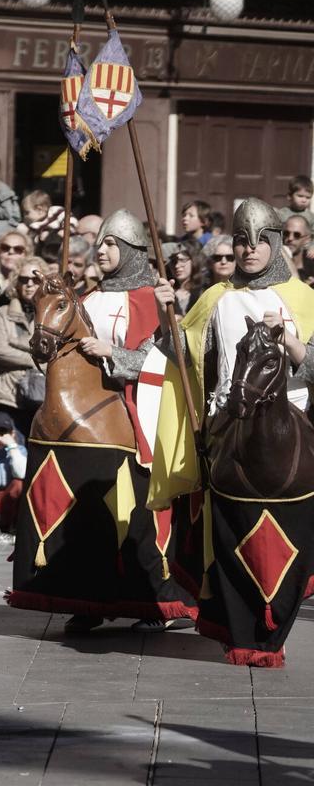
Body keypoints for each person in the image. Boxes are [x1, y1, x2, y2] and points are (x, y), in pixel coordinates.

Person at [8, 210, 198, 634]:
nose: (103, 250)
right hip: (86, 413)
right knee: (86, 516)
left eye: (113, 244)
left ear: (132, 251)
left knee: (137, 509)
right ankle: (86, 598)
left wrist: (115, 352)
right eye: (102, 243)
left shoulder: (152, 297)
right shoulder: (88, 298)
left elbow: (167, 357)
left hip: (136, 408)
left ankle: (151, 599)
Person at [150, 197, 314, 667]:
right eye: (242, 240)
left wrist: (287, 339)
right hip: (226, 425)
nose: (249, 249)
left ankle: (273, 623)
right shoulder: (215, 297)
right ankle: (239, 628)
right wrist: (168, 315)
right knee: (231, 531)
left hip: (294, 423)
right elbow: (180, 355)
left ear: (278, 244)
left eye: (261, 240)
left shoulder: (304, 300)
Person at [0, 257, 44, 433]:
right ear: (15, 283)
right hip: (7, 394)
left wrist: (16, 343)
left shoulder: (52, 316)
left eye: (35, 280)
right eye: (23, 279)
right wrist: (34, 360)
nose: (29, 284)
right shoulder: (3, 313)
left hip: (42, 395)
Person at [165, 241, 207, 316]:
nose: (177, 266)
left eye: (182, 260)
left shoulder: (204, 291)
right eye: (174, 261)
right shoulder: (167, 292)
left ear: (194, 261)